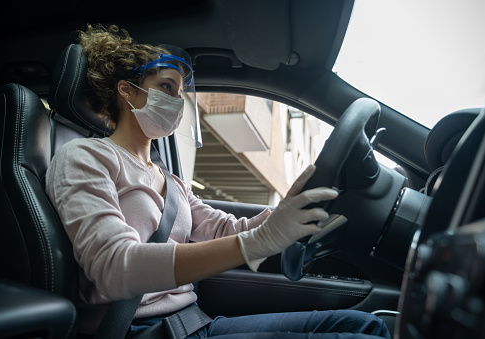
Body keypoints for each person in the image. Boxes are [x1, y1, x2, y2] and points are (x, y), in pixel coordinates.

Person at [45, 24, 391, 339]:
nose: (177, 102)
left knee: (365, 325)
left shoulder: (172, 182)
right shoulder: (84, 157)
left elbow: (224, 229)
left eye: (180, 92)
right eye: (167, 87)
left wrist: (281, 213)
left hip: (194, 322)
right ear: (128, 91)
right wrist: (256, 242)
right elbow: (114, 268)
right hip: (137, 331)